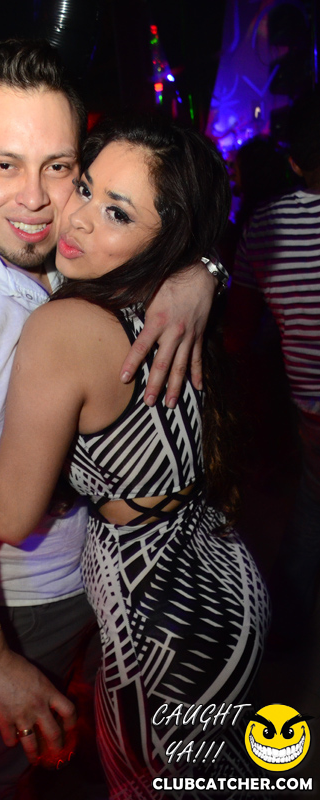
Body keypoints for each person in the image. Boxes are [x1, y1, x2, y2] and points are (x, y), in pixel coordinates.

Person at [0, 40, 225, 799]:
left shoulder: (62, 253)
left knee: (113, 751)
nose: (34, 198)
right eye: (5, 164)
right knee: (6, 767)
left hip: (116, 579)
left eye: (58, 167)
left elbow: (157, 223)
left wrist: (202, 271)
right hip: (24, 604)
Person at [0, 114, 270, 797]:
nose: (77, 218)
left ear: (166, 239)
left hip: (159, 618)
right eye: (84, 187)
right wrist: (204, 268)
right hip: (222, 583)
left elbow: (10, 515)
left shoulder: (64, 327)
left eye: (116, 212)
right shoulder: (171, 297)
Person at [229, 91, 320, 647]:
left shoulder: (263, 224)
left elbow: (240, 325)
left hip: (309, 403)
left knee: (311, 501)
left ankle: (283, 628)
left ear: (293, 161)